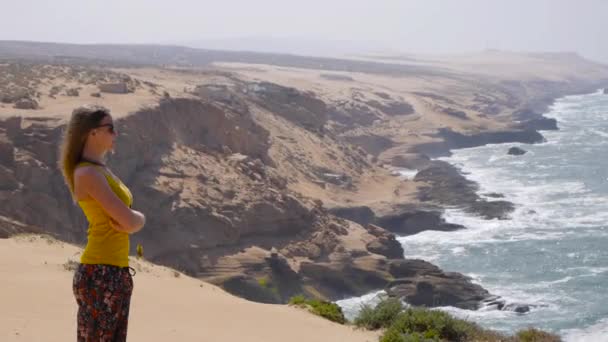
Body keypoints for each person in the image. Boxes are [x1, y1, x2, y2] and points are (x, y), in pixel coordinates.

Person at [59, 105, 145, 341]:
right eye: (110, 128)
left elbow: (126, 221)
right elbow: (128, 221)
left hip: (114, 273)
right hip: (101, 276)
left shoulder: (100, 170)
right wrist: (140, 218)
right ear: (92, 133)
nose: (115, 134)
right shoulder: (88, 174)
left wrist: (133, 220)